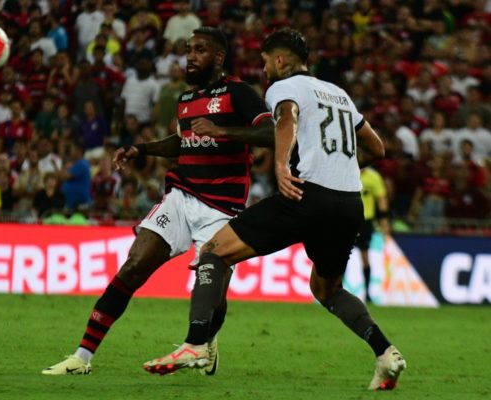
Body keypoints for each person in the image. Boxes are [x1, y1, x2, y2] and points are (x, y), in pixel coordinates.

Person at [144, 28, 406, 391]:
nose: (264, 70)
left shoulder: (284, 88)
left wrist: (282, 165)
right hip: (348, 205)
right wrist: (336, 168)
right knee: (328, 290)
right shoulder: (339, 93)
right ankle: (385, 353)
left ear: (280, 60)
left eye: (266, 62)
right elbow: (376, 149)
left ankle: (196, 344)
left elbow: (286, 119)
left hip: (305, 195)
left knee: (213, 253)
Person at [42, 27, 273, 376]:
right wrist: (142, 149)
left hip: (222, 209)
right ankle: (82, 357)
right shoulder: (185, 100)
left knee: (213, 292)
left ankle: (204, 343)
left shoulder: (239, 93)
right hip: (180, 198)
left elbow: (271, 131)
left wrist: (225, 131)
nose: (190, 56)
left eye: (199, 50)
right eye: (188, 49)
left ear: (219, 57)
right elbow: (182, 142)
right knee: (134, 264)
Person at [357, 167, 390, 302]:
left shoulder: (373, 177)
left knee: (365, 257)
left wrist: (385, 225)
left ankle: (367, 292)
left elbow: (381, 200)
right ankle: (335, 289)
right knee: (340, 256)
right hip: (346, 220)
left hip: (365, 221)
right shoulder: (346, 173)